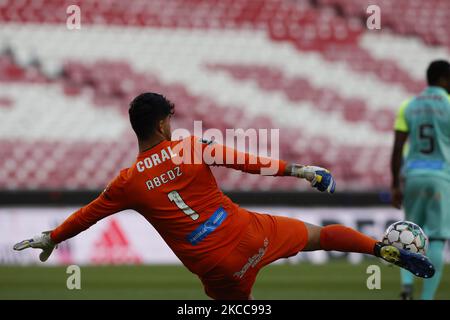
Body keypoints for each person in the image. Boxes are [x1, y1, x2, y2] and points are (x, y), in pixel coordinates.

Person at [15, 92, 434, 300]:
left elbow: (89, 214)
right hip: (250, 232)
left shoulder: (126, 182)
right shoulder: (189, 146)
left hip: (216, 268)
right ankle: (381, 249)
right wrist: (301, 171)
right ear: (162, 124)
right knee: (321, 235)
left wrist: (53, 236)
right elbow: (246, 161)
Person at [391, 60, 450, 300]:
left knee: (409, 231)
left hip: (413, 176)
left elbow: (397, 149)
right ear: (443, 79)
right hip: (441, 178)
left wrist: (395, 183)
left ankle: (406, 285)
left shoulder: (409, 105)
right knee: (436, 236)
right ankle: (426, 298)